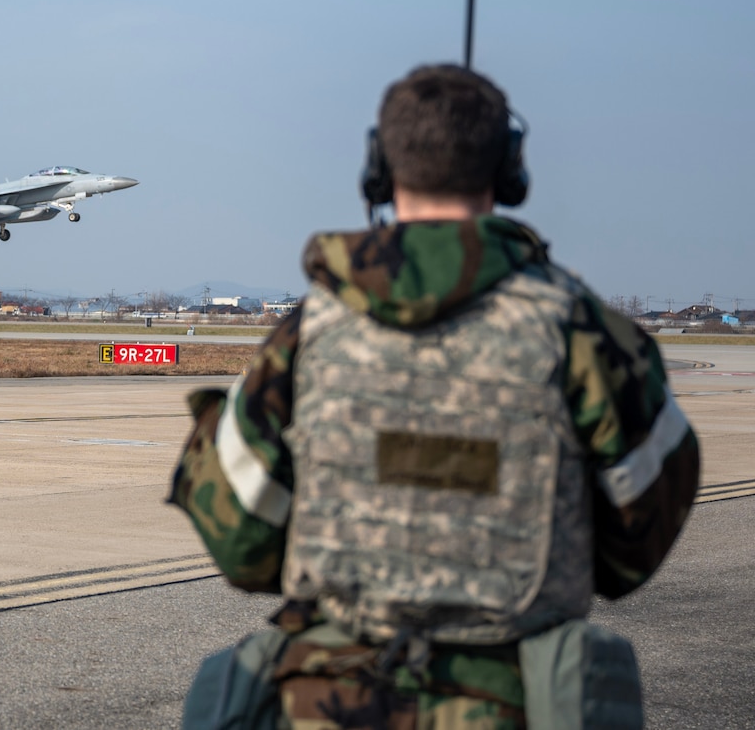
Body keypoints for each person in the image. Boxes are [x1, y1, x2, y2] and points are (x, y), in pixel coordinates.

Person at [171, 65, 698, 729]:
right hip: (515, 702)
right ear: (511, 168)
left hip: (327, 704)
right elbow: (636, 550)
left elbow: (241, 542)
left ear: (377, 167)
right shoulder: (584, 332)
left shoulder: (308, 334)